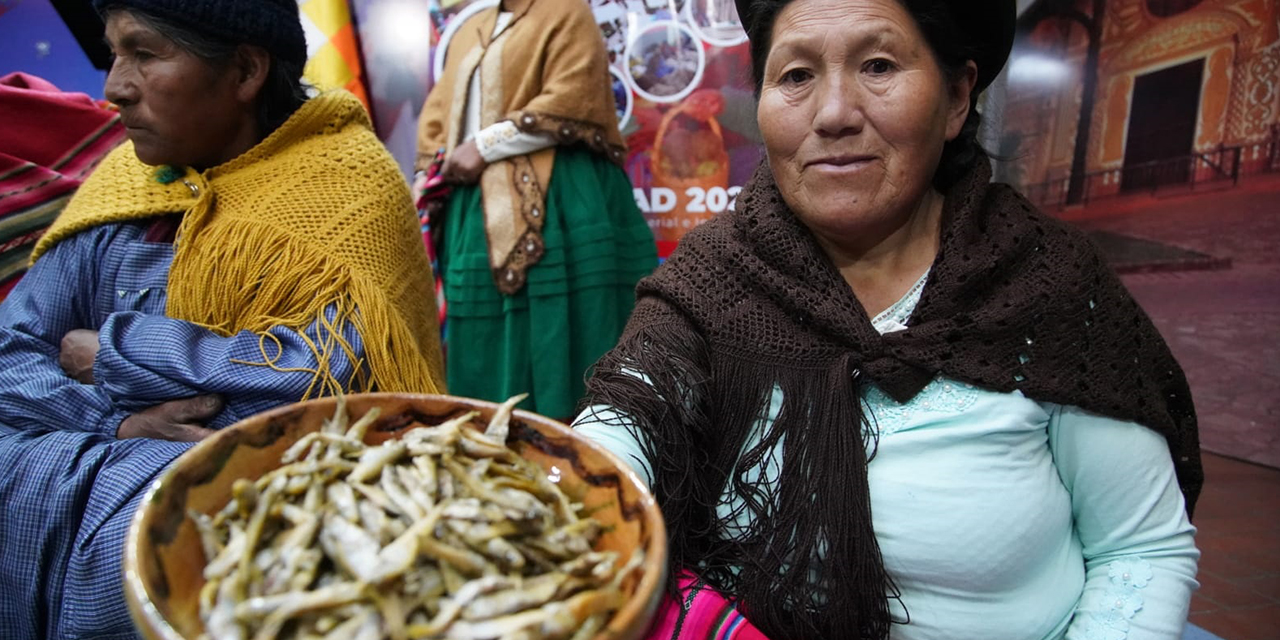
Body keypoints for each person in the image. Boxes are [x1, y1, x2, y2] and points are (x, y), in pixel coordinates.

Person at [574, 0, 1202, 638]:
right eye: (795, 76)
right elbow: (617, 438)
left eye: (878, 65)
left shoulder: (1048, 287)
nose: (834, 114)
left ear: (957, 97)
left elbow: (1139, 550)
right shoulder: (710, 282)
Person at [0, 1, 445, 637]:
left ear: (244, 71)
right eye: (113, 54)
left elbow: (325, 385)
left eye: (145, 54)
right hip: (86, 485)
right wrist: (116, 422)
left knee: (240, 504)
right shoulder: (125, 182)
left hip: (236, 518)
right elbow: (11, 352)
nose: (114, 87)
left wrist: (114, 355)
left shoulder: (345, 188)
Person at [416, 0, 657, 420]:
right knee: (481, 344)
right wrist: (432, 169)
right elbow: (439, 114)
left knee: (572, 336)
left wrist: (484, 146)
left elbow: (573, 95)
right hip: (474, 210)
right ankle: (490, 452)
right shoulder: (470, 26)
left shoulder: (565, 11)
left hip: (561, 199)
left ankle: (580, 452)